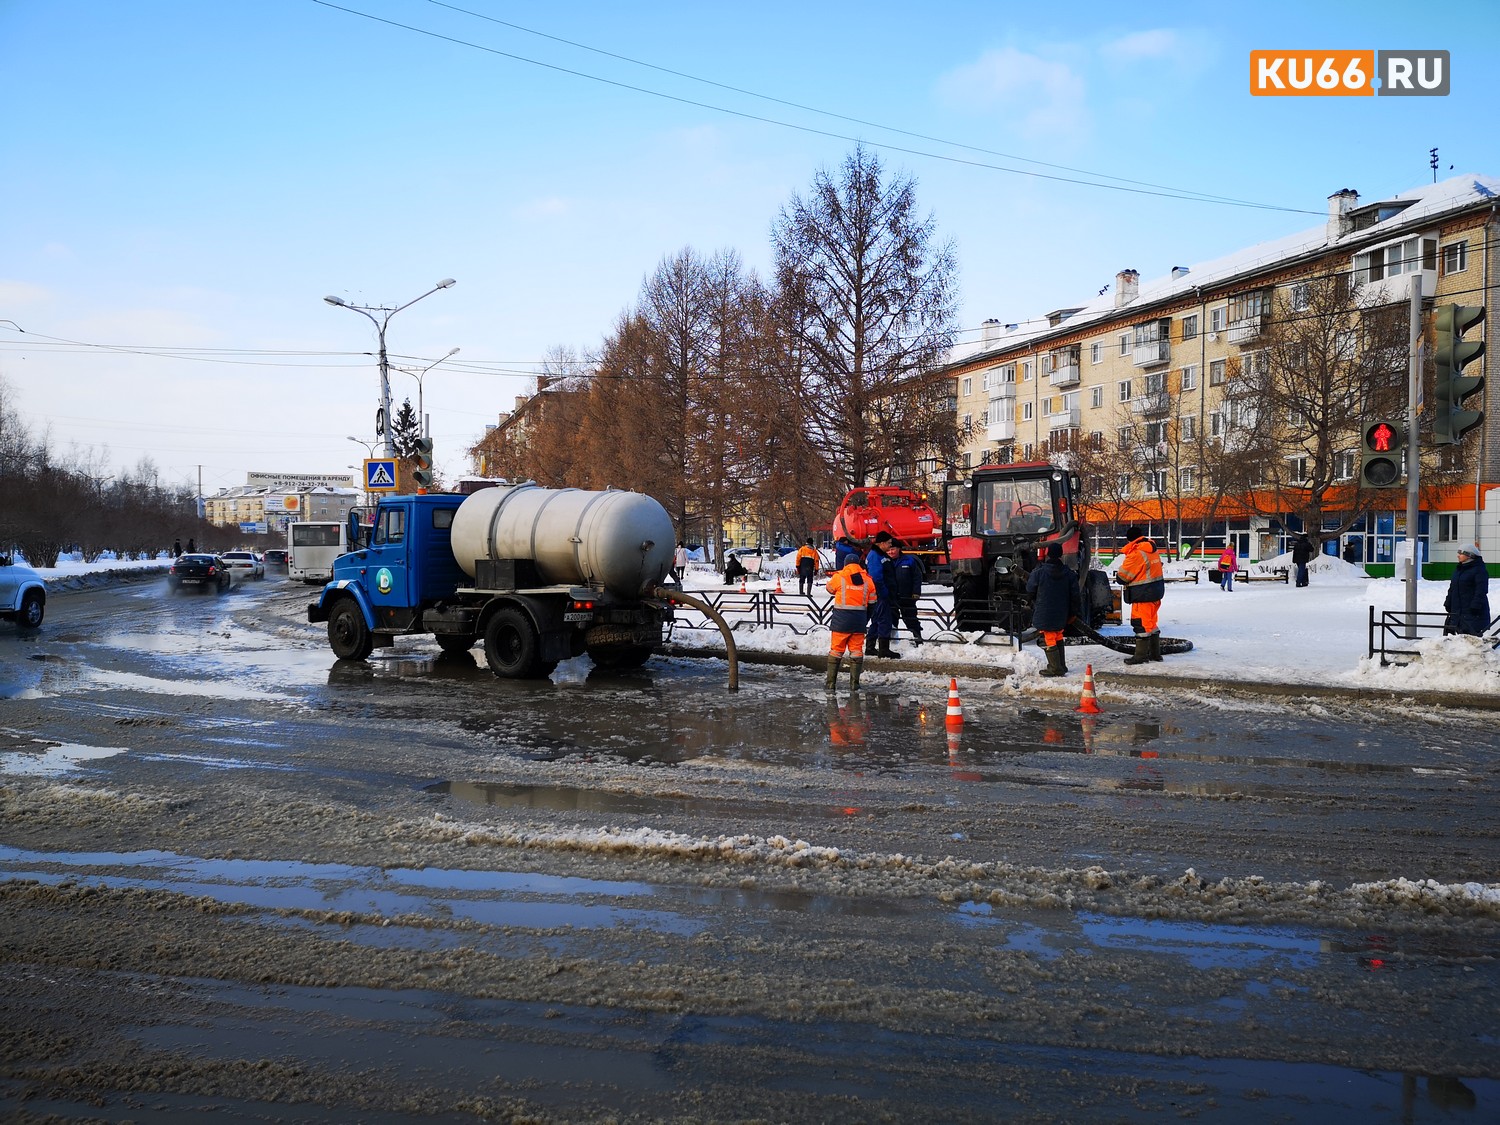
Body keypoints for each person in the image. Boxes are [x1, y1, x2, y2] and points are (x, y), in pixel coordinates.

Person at [1026, 543, 1080, 677]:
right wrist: (1073, 613)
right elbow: (1075, 595)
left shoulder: (1039, 572)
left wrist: (1033, 601)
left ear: (1048, 554)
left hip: (1045, 610)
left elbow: (1030, 589)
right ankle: (1061, 665)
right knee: (1058, 636)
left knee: (1049, 638)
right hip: (1062, 612)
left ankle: (1055, 668)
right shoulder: (1069, 574)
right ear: (1061, 554)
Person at [1115, 525, 1165, 665]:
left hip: (1143, 595)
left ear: (1129, 539)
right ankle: (1155, 654)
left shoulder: (1137, 553)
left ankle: (1141, 656)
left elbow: (1122, 577)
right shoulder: (1151, 549)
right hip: (1155, 593)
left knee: (1141, 625)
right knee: (1151, 624)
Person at [824, 553, 874, 690]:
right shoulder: (868, 580)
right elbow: (873, 602)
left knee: (836, 651)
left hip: (841, 621)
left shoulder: (839, 577)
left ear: (845, 564)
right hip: (859, 622)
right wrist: (865, 618)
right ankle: (854, 685)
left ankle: (830, 684)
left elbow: (829, 589)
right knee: (856, 651)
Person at [863, 532, 899, 659]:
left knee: (877, 620)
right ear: (881, 543)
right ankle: (884, 649)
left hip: (881, 593)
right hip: (880, 594)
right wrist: (883, 592)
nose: (890, 545)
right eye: (889, 543)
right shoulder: (875, 556)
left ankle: (870, 647)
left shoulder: (879, 554)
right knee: (884, 620)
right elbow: (876, 577)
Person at [885, 539, 926, 648]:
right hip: (891, 597)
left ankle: (918, 639)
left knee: (911, 619)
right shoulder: (884, 562)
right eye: (888, 550)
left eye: (892, 549)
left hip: (907, 596)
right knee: (891, 620)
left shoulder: (909, 560)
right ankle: (891, 642)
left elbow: (917, 577)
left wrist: (916, 592)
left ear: (898, 549)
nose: (890, 552)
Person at [1444, 545, 1491, 637]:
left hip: (1472, 611)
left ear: (1470, 555)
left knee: (1471, 638)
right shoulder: (1459, 569)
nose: (1458, 555)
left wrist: (1476, 605)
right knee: (1454, 638)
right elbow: (1452, 588)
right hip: (1457, 609)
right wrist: (1448, 602)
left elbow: (1481, 590)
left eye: (1461, 553)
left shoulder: (1479, 570)